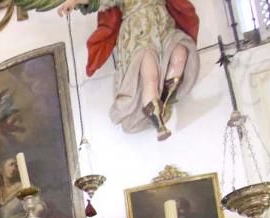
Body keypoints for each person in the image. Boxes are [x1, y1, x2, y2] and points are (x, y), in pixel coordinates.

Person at [58, 0, 199, 139]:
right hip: (139, 33)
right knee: (151, 77)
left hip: (163, 26)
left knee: (181, 53)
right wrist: (75, 1)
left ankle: (163, 100)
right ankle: (159, 124)